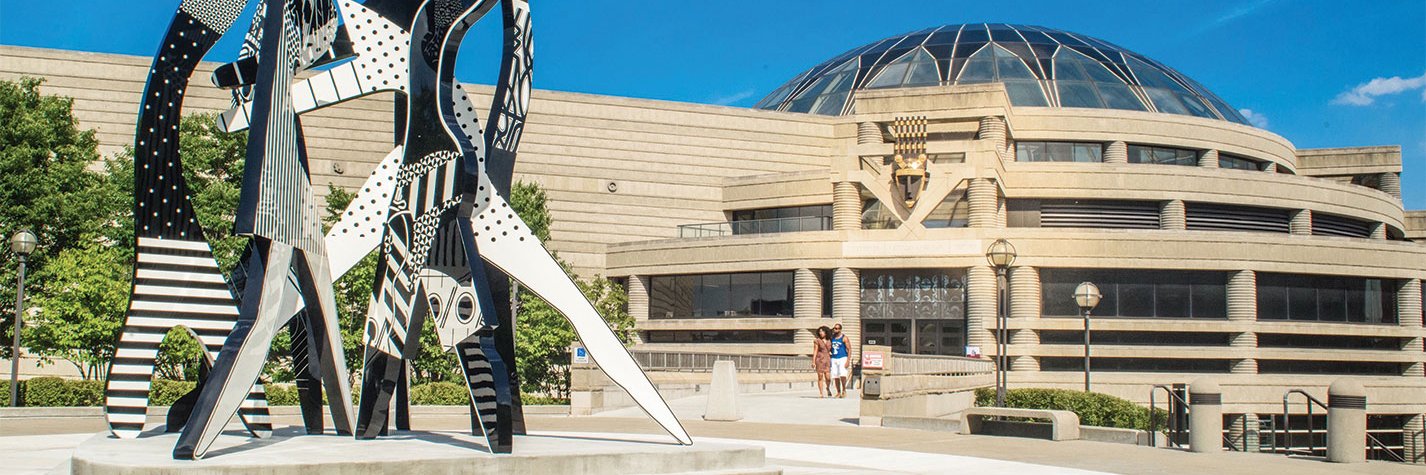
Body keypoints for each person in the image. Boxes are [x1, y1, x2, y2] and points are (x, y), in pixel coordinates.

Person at [829, 323, 850, 398]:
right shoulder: (832, 338)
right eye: (834, 328)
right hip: (834, 357)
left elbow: (849, 349)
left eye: (837, 328)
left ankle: (844, 389)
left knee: (842, 374)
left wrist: (848, 360)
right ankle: (838, 391)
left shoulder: (844, 338)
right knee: (835, 375)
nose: (835, 330)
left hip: (842, 357)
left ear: (840, 329)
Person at [812, 326, 833, 398]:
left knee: (828, 377)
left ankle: (828, 387)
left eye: (822, 331)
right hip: (820, 359)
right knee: (820, 376)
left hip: (827, 359)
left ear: (826, 332)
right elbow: (815, 351)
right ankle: (821, 392)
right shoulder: (817, 341)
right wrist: (813, 361)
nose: (821, 333)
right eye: (820, 331)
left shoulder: (830, 340)